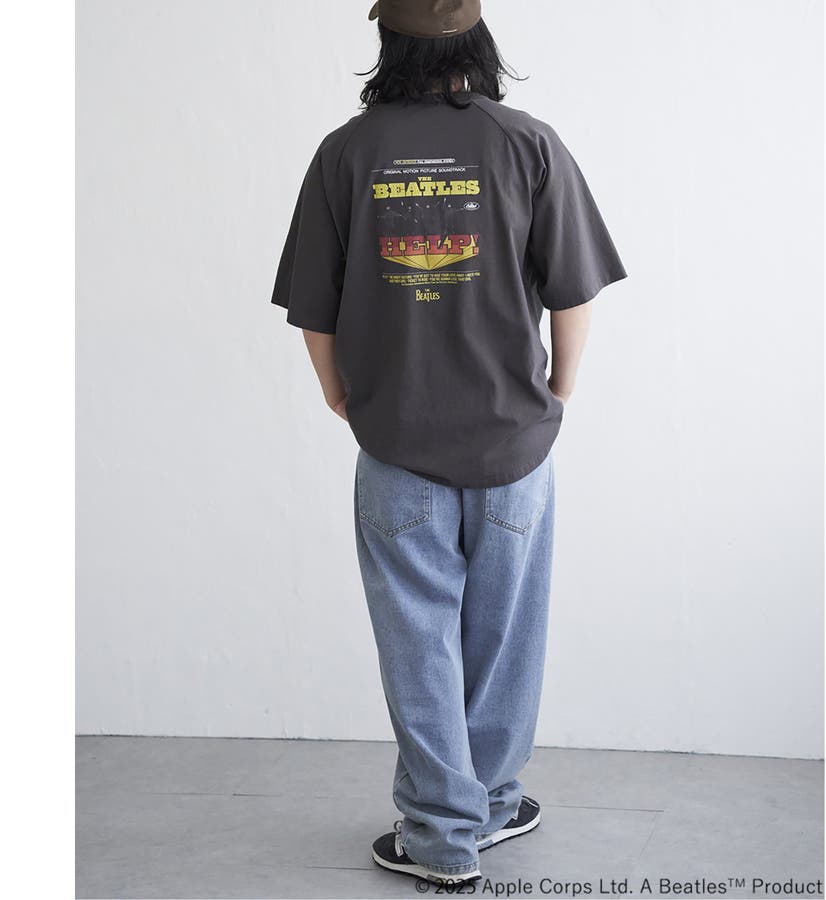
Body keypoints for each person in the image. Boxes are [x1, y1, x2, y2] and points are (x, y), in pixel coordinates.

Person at [271, 0, 626, 886]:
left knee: (418, 646)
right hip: (514, 449)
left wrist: (339, 394)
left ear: (387, 44)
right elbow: (574, 291)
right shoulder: (527, 142)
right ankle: (491, 806)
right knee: (505, 639)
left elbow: (314, 308)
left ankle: (441, 835)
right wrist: (560, 389)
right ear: (478, 41)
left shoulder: (346, 153)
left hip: (398, 449)